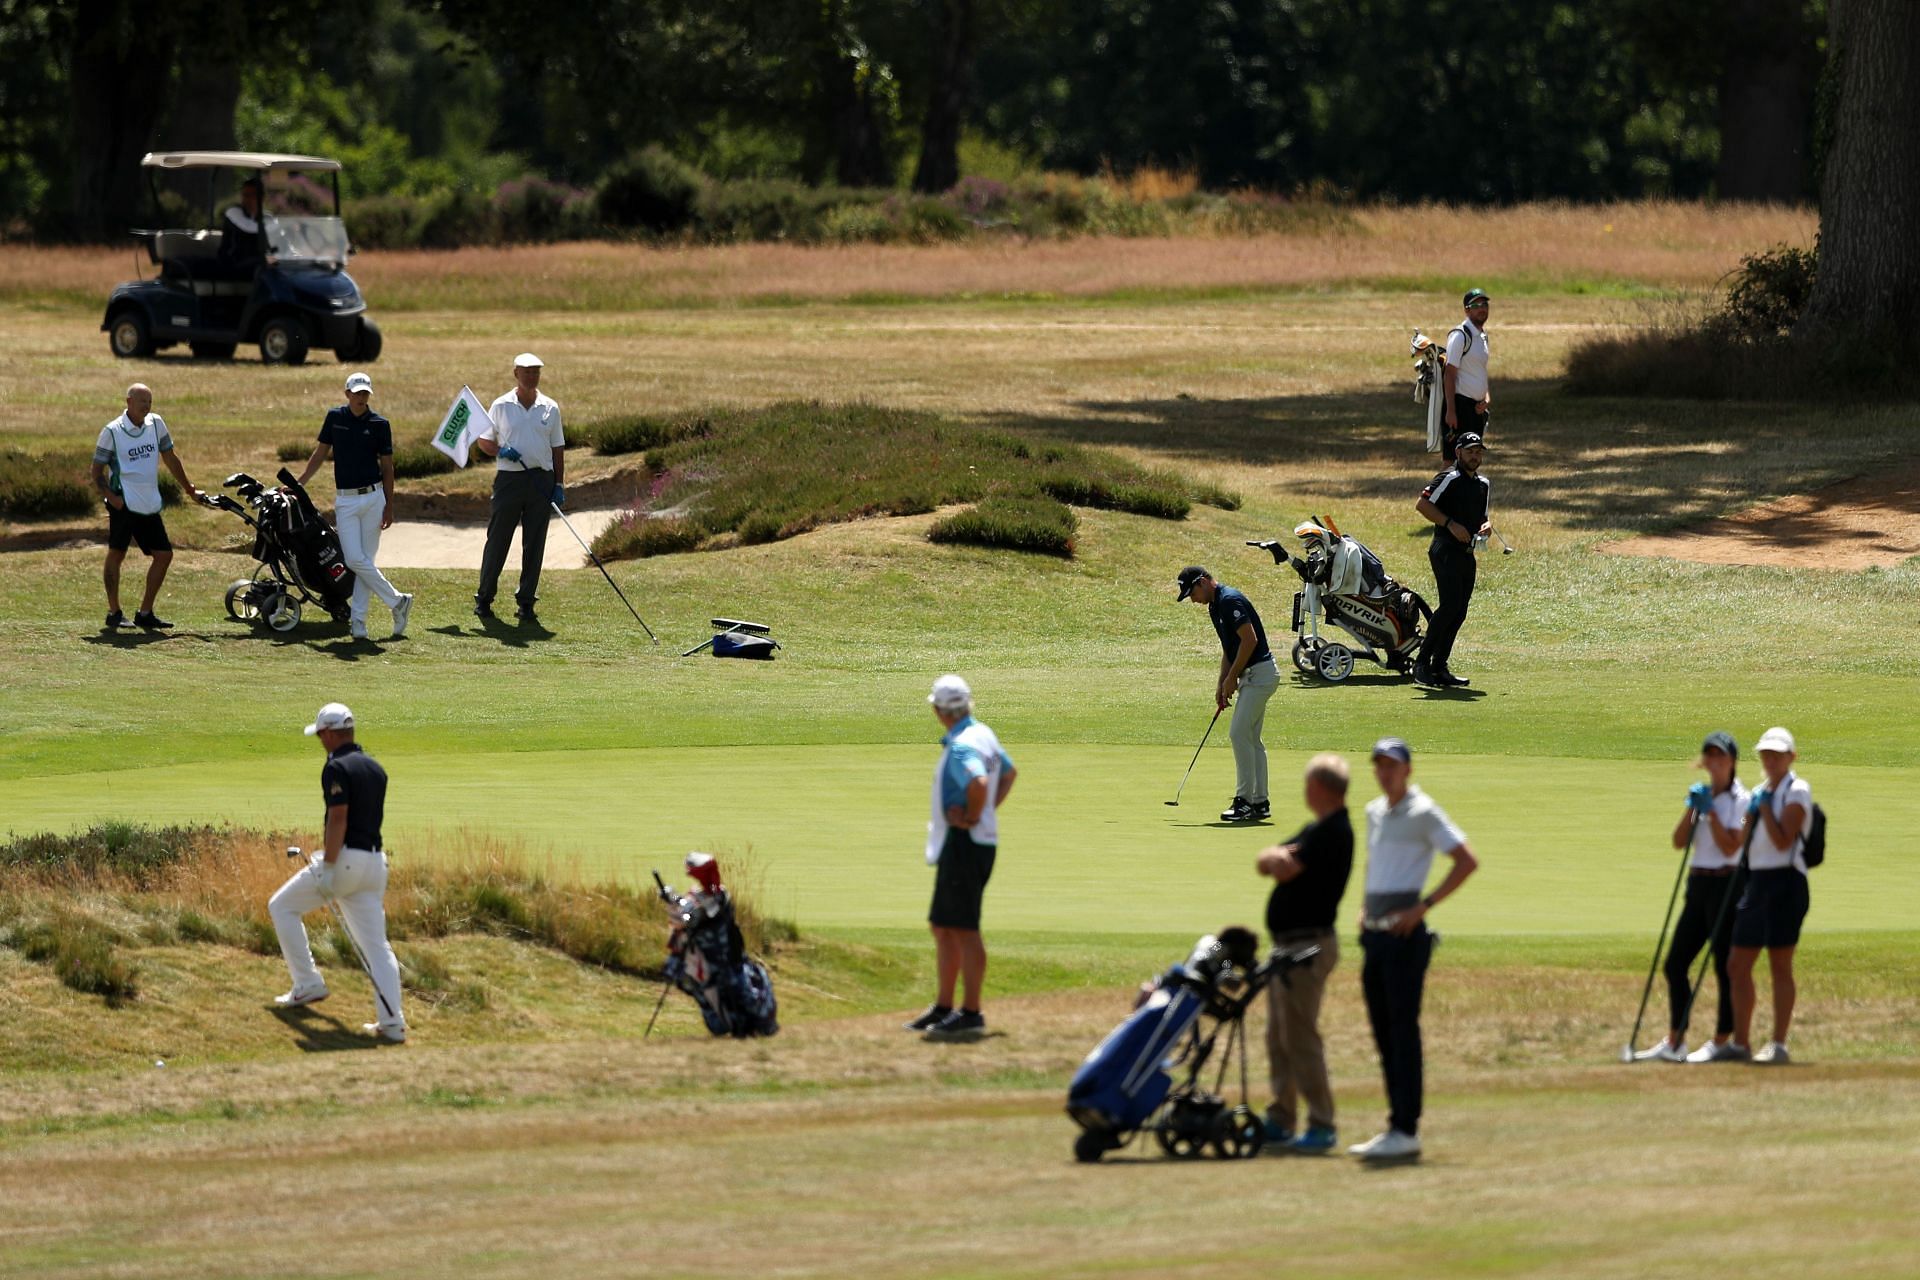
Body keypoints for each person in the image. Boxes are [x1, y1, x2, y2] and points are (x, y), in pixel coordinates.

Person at [1351, 737, 1478, 1161]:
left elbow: (1465, 860)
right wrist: (1365, 909)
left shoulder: (1423, 812)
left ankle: (1406, 1127)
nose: (1385, 772)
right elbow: (1375, 865)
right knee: (1384, 1032)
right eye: (1379, 765)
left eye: (1392, 765)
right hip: (1374, 935)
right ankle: (1396, 1123)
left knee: (1403, 1033)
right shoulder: (1373, 812)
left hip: (1405, 940)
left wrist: (1424, 906)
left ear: (1407, 769)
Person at [268, 702, 406, 1043]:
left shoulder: (336, 767)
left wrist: (328, 866)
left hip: (344, 862)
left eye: (320, 735)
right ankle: (392, 1025)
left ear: (330, 733)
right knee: (377, 947)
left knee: (281, 906)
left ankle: (308, 983)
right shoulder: (376, 767)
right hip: (375, 865)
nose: (320, 741)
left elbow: (339, 819)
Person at [908, 674, 1017, 1040]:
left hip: (965, 843)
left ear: (940, 711)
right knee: (944, 925)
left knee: (964, 928)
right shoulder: (981, 732)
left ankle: (970, 1012)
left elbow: (980, 783)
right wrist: (986, 812)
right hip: (973, 842)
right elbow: (1009, 772)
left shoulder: (961, 746)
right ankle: (944, 1006)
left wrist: (973, 816)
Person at [1254, 753, 1353, 1153]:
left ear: (1319, 788)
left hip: (1308, 947)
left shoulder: (1333, 832)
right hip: (1287, 947)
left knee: (1301, 1038)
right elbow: (1267, 862)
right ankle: (1281, 1116)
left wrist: (1280, 858)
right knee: (1278, 1037)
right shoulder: (1317, 829)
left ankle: (1322, 1124)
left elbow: (1285, 867)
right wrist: (1278, 858)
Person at [1633, 731, 1750, 1063]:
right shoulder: (1701, 795)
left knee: (1724, 966)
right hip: (1698, 885)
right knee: (1675, 964)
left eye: (1721, 756)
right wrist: (1691, 809)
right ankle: (1676, 1041)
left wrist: (1711, 812)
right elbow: (1679, 841)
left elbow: (1733, 844)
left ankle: (1722, 1040)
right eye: (1709, 756)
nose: (1714, 762)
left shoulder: (1744, 801)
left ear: (1732, 761)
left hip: (1728, 886)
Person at [290, 372, 413, 640]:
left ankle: (358, 623)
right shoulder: (335, 419)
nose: (361, 397)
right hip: (345, 500)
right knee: (354, 560)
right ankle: (397, 601)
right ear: (347, 394)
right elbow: (319, 454)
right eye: (356, 393)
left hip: (373, 498)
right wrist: (299, 484)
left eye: (365, 393)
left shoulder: (380, 424)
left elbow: (388, 467)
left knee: (363, 562)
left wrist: (389, 505)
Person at [1728, 726, 1812, 1066]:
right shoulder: (1758, 792)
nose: (1770, 760)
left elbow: (1782, 840)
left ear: (1791, 757)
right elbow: (1742, 844)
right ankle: (1741, 1043)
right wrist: (1750, 814)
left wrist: (1761, 811)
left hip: (1787, 882)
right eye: (1766, 754)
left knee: (1780, 963)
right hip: (1758, 882)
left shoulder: (1798, 790)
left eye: (1777, 754)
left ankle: (1778, 1043)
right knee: (1738, 963)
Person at [90, 382, 203, 631]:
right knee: (117, 553)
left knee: (164, 555)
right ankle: (114, 612)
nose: (146, 406)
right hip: (123, 502)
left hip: (148, 501)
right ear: (128, 401)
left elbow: (171, 458)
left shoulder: (156, 424)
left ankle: (145, 612)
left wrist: (189, 489)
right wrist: (112, 497)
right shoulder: (112, 431)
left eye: (149, 402)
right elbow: (96, 471)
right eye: (142, 401)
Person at [1177, 566, 1279, 823]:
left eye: (1192, 593)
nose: (1193, 600)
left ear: (1203, 582)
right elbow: (1229, 647)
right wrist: (1222, 682)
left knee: (1238, 734)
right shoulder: (1215, 606)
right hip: (1252, 675)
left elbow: (1249, 640)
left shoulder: (1229, 599)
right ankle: (1259, 802)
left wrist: (1233, 676)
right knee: (1251, 739)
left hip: (1259, 675)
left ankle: (1244, 802)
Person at [474, 352, 567, 625]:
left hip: (541, 480)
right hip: (509, 480)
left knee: (534, 543)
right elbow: (484, 441)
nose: (532, 376)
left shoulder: (550, 407)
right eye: (527, 371)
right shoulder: (501, 405)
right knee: (498, 540)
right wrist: (502, 450)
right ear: (516, 373)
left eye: (536, 371)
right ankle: (484, 598)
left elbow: (557, 448)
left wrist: (559, 483)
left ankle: (526, 602)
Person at [1412, 432, 1491, 688]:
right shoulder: (1449, 478)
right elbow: (1422, 505)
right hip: (1444, 549)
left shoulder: (1483, 484)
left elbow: (1481, 516)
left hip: (1467, 554)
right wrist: (1449, 523)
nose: (1474, 456)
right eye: (1470, 451)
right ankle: (1421, 663)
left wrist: (1486, 526)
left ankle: (1439, 667)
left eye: (1478, 452)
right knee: (1449, 607)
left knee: (1459, 612)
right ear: (1458, 453)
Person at [1441, 288, 1491, 462]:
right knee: (1452, 463)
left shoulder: (1482, 336)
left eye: (1484, 304)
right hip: (1460, 406)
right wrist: (1451, 411)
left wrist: (1486, 397)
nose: (1482, 308)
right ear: (1466, 310)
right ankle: (1434, 491)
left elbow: (1479, 371)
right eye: (1476, 305)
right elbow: (1449, 374)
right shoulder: (1460, 335)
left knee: (1471, 462)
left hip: (1476, 409)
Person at [217, 178, 268, 276]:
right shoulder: (233, 213)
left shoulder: (266, 218)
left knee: (279, 266)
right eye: (245, 195)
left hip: (256, 264)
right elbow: (247, 229)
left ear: (261, 198)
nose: (247, 200)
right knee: (266, 264)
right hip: (234, 262)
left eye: (251, 195)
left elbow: (275, 245)